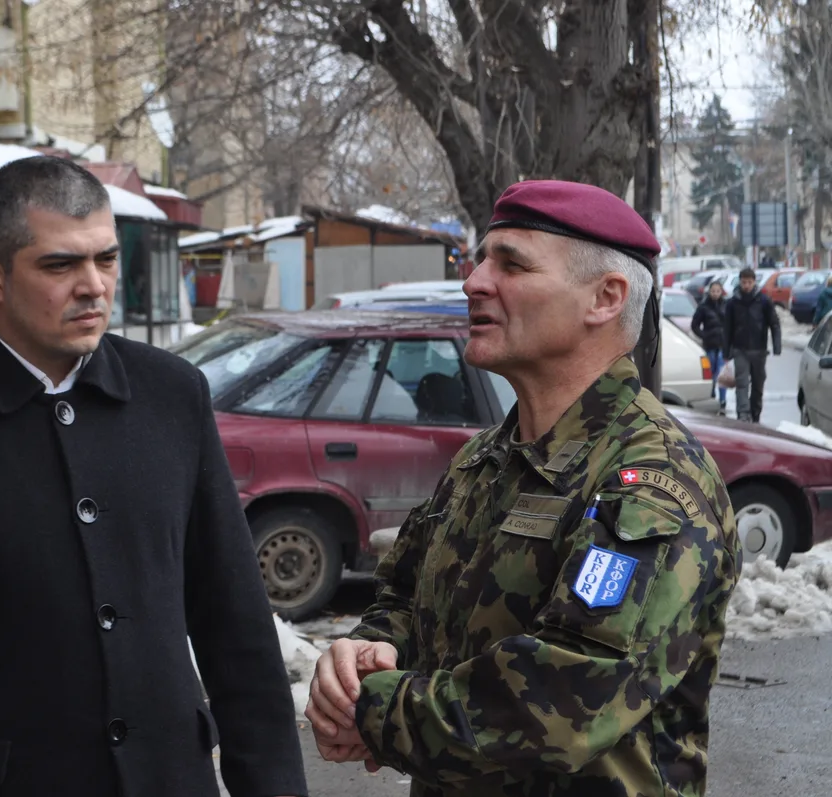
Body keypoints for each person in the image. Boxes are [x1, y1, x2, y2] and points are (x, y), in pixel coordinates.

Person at [304, 180, 741, 796]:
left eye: (511, 263)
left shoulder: (651, 481)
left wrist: (370, 713)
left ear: (605, 298)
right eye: (480, 260)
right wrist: (366, 656)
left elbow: (562, 700)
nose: (475, 282)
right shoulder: (483, 460)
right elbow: (403, 600)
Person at [0, 156, 307, 797]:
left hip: (173, 779)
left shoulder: (172, 394)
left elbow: (235, 622)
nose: (93, 285)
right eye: (60, 265)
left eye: (106, 259)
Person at [724, 266, 782, 423]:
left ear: (754, 282)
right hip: (740, 349)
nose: (746, 286)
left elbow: (774, 323)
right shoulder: (733, 302)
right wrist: (726, 351)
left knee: (758, 384)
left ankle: (755, 414)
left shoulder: (763, 301)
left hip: (759, 350)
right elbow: (727, 328)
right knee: (742, 383)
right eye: (744, 282)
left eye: (749, 282)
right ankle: (743, 415)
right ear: (740, 282)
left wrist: (777, 346)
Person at [691, 280, 729, 411]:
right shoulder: (703, 307)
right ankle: (711, 395)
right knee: (711, 372)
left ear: (721, 292)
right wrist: (704, 335)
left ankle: (723, 400)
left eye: (718, 291)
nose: (715, 293)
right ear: (709, 292)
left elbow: (732, 324)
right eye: (713, 291)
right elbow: (694, 325)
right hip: (710, 345)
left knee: (722, 374)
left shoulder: (726, 305)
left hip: (723, 346)